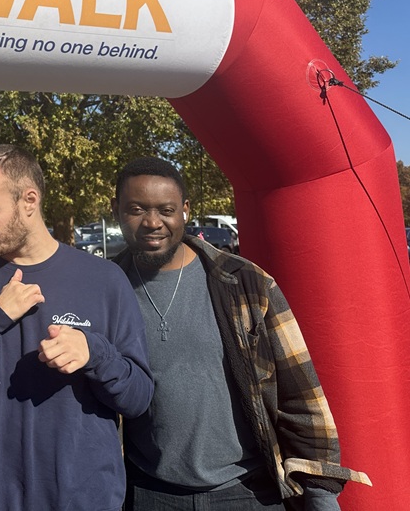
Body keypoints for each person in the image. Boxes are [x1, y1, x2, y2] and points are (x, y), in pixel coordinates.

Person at [109, 156, 369, 510]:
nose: (153, 223)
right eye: (137, 209)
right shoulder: (104, 290)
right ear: (117, 210)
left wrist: (320, 492)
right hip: (148, 492)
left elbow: (298, 390)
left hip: (247, 491)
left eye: (166, 210)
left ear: (185, 210)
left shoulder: (245, 284)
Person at [0, 145, 153, 511]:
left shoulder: (104, 280)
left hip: (86, 500)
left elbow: (138, 398)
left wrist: (95, 353)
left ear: (29, 200)